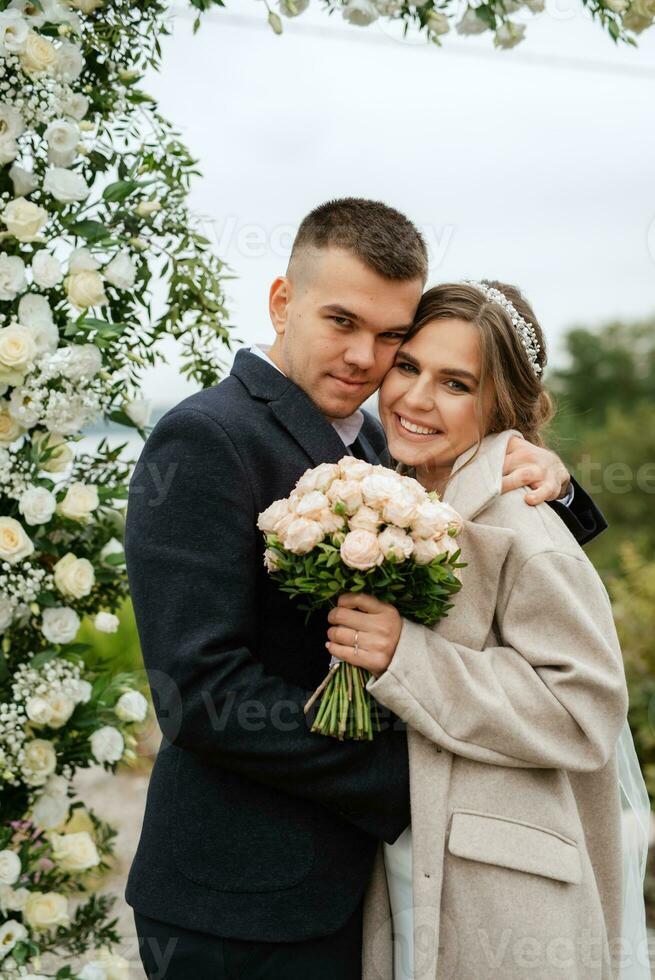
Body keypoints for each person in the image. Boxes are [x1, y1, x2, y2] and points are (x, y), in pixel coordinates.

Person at [124, 200, 607, 979]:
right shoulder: (208, 437)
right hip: (243, 895)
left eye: (390, 337)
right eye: (340, 321)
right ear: (282, 301)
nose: (364, 358)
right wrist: (414, 780)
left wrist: (556, 491)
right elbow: (201, 690)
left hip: (364, 893)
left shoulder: (387, 441)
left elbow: (490, 562)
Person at [325, 280, 650, 979]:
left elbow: (584, 709)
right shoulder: (400, 489)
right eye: (407, 366)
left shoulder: (521, 521)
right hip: (415, 858)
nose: (414, 398)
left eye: (455, 383)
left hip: (503, 895)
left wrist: (406, 656)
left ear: (499, 401)